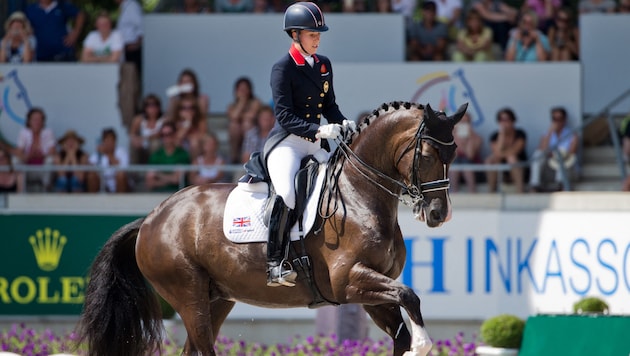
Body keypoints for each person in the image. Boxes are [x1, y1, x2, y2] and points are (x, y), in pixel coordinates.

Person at [264, 2, 354, 287]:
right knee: (288, 194)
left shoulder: (324, 64)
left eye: (318, 35)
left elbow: (330, 105)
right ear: (295, 35)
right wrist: (319, 130)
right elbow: (285, 116)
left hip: (315, 144)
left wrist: (343, 121)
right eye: (312, 34)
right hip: (287, 144)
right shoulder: (283, 68)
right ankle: (275, 263)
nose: (317, 39)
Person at [529, 107, 578, 192]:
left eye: (560, 119)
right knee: (538, 154)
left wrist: (556, 154)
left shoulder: (572, 135)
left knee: (560, 155)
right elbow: (542, 150)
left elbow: (571, 154)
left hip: (566, 168)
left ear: (564, 120)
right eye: (554, 119)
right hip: (549, 167)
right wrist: (550, 132)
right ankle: (535, 184)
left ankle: (561, 184)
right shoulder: (547, 134)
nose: (557, 122)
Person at [484, 108, 527, 193]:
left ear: (513, 120)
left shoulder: (520, 134)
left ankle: (520, 191)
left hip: (519, 166)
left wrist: (501, 153)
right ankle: (491, 191)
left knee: (511, 158)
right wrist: (502, 135)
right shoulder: (495, 135)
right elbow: (496, 152)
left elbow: (516, 150)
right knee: (490, 160)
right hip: (501, 168)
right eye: (501, 120)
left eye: (507, 119)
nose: (504, 123)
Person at [15, 108, 56, 191]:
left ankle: (46, 190)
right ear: (29, 121)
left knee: (50, 160)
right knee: (16, 160)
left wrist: (42, 155)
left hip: (42, 169)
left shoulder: (48, 132)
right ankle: (20, 192)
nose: (37, 122)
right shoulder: (24, 133)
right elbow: (19, 151)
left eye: (40, 119)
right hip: (27, 169)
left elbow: (52, 150)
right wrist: (28, 156)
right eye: (35, 119)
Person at [145, 122, 191, 192]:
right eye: (163, 135)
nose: (166, 137)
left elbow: (177, 179)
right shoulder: (155, 156)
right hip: (157, 195)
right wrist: (170, 179)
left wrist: (158, 174)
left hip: (177, 195)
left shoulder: (182, 155)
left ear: (175, 135)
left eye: (169, 134)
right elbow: (150, 183)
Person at [227, 77, 262, 163]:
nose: (243, 91)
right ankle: (234, 157)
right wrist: (242, 102)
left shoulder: (256, 102)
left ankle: (247, 156)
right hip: (238, 136)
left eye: (245, 88)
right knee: (234, 126)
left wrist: (240, 116)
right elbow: (234, 117)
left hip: (254, 134)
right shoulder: (231, 106)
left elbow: (251, 116)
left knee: (247, 124)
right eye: (240, 89)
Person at [88, 128, 130, 193]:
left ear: (115, 141)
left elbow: (122, 170)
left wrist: (108, 154)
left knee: (120, 176)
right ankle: (92, 200)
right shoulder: (98, 154)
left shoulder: (122, 152)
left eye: (111, 140)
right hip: (104, 183)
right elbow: (90, 166)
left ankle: (121, 199)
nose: (109, 142)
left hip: (119, 184)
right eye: (106, 140)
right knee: (91, 176)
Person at [449, 113, 482, 192]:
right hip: (455, 166)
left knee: (466, 163)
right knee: (455, 164)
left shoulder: (477, 138)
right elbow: (453, 155)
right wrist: (455, 136)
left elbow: (470, 155)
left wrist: (469, 138)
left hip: (471, 166)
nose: (463, 124)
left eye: (466, 122)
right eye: (461, 122)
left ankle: (472, 192)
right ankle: (453, 193)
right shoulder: (450, 138)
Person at [129, 94, 165, 164]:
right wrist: (135, 140)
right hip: (143, 147)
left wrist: (145, 138)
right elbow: (131, 134)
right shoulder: (139, 119)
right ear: (145, 108)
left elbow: (160, 134)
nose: (152, 109)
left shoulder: (163, 120)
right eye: (149, 105)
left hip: (159, 147)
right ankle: (135, 169)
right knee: (132, 145)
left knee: (155, 143)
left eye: (155, 105)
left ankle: (154, 167)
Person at [172, 94, 209, 159]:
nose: (188, 111)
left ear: (195, 110)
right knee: (177, 142)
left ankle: (193, 166)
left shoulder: (200, 120)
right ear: (179, 110)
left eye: (191, 108)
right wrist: (188, 122)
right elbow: (177, 137)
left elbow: (202, 135)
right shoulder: (176, 121)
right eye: (184, 108)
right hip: (180, 149)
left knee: (194, 142)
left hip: (196, 150)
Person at [116, 0, 144, 76]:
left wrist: (137, 44)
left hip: (132, 48)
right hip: (125, 48)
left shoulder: (132, 6)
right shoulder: (124, 6)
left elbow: (141, 26)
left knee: (133, 74)